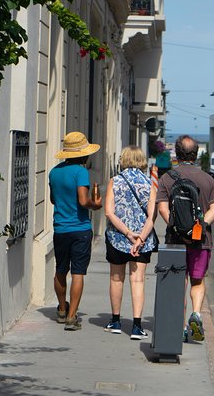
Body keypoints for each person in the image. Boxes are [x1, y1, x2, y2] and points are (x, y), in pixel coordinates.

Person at [157, 135, 214, 342]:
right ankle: (196, 314)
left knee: (178, 281)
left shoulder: (167, 177)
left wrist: (177, 227)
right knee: (197, 280)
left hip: (175, 240)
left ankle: (179, 323)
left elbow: (162, 208)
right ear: (195, 154)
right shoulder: (207, 179)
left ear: (176, 153)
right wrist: (199, 227)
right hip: (200, 240)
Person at [49, 131, 103, 331]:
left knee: (60, 269)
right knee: (78, 272)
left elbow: (54, 199)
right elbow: (83, 200)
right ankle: (72, 317)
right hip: (80, 228)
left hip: (60, 227)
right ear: (83, 155)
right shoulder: (81, 172)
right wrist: (95, 204)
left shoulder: (54, 172)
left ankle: (62, 310)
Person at [104, 146, 158, 340]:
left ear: (124, 160)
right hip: (143, 241)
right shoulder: (150, 183)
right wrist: (140, 238)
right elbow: (152, 216)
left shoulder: (115, 181)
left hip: (117, 238)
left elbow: (109, 212)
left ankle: (116, 321)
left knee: (116, 278)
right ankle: (136, 326)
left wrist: (128, 234)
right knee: (138, 280)